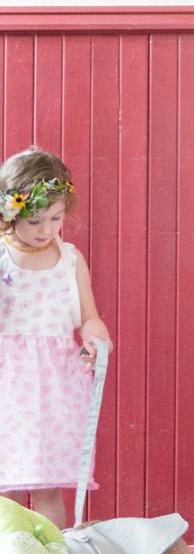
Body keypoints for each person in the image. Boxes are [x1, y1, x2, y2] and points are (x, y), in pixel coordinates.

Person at [0, 148, 112, 527]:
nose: (46, 229)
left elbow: (89, 318)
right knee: (6, 488)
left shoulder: (70, 260)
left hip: (52, 392)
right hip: (7, 388)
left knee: (48, 489)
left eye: (56, 218)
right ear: (8, 212)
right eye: (34, 220)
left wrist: (97, 340)